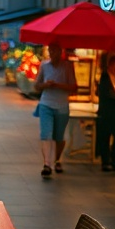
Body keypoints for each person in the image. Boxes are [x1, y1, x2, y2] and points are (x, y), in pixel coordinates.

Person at [34, 43, 77, 178]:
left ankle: (57, 159)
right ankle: (47, 164)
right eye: (51, 50)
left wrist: (58, 85)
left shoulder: (68, 66)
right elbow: (36, 85)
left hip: (62, 105)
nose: (53, 53)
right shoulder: (44, 66)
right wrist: (45, 85)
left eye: (56, 51)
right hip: (46, 103)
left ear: (61, 51)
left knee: (59, 136)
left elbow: (74, 87)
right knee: (46, 134)